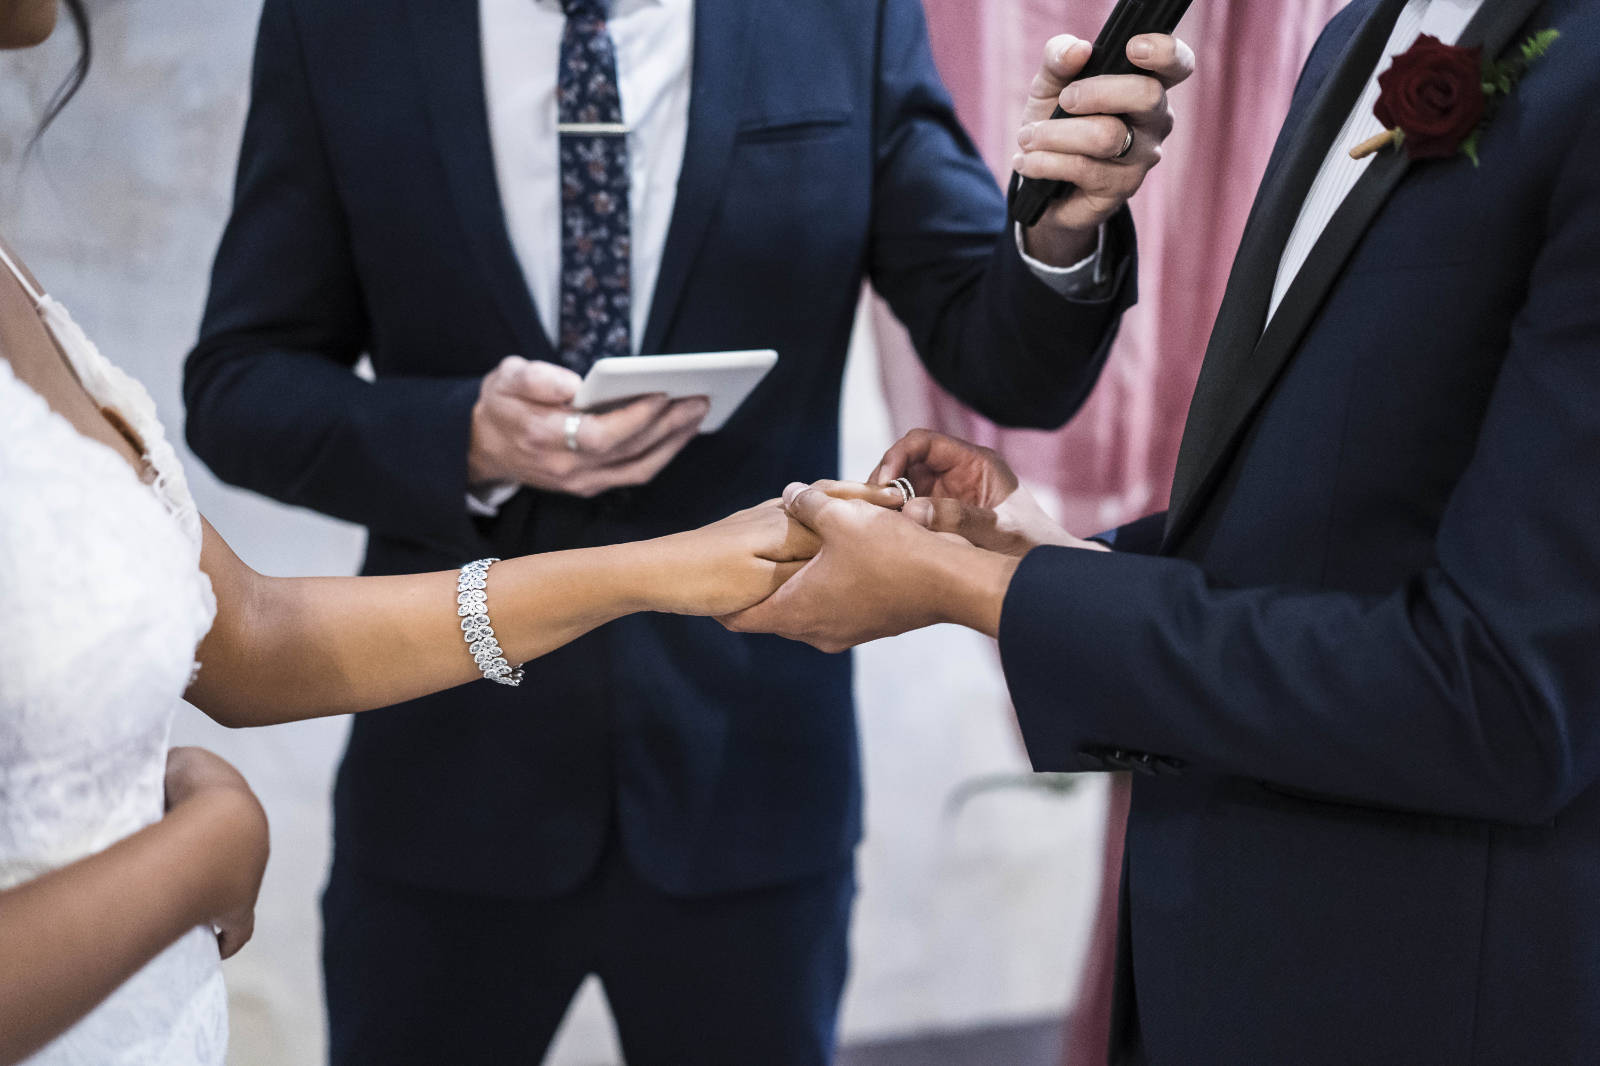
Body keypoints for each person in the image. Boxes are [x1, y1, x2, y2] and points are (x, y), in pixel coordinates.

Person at [179, 0, 1195, 1060]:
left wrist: (1058, 229)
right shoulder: (340, 26)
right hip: (448, 776)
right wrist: (461, 437)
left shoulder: (844, 16)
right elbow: (240, 387)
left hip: (750, 778)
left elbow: (1006, 364)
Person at [730, 0, 1600, 1062]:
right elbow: (1344, 509)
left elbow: (1507, 693)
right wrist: (1049, 558)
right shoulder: (1358, 34)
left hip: (1425, 983)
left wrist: (988, 593)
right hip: (1234, 958)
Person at [0, 4, 824, 1063]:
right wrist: (206, 850)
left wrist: (649, 571)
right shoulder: (340, 27)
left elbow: (245, 631)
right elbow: (245, 390)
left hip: (740, 797)